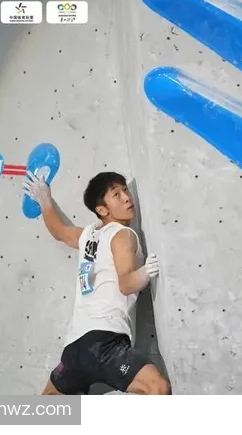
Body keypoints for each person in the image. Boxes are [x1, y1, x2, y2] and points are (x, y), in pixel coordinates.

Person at [23, 169, 171, 395]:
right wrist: (145, 273)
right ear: (102, 210)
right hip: (105, 342)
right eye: (116, 194)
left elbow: (59, 231)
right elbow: (126, 284)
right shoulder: (123, 234)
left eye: (126, 190)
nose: (127, 197)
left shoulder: (88, 235)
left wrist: (44, 198)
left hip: (74, 351)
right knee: (157, 387)